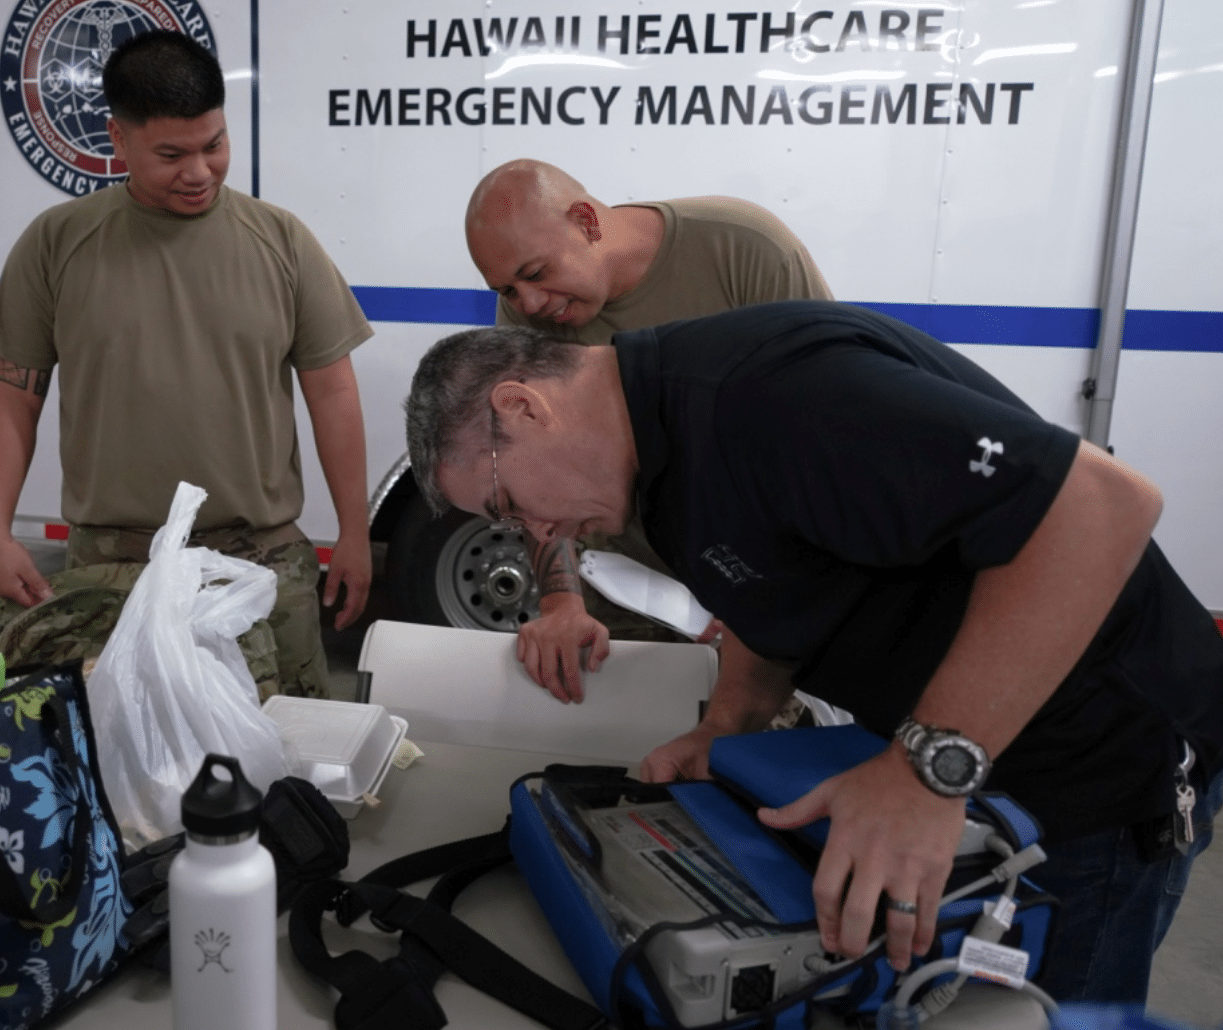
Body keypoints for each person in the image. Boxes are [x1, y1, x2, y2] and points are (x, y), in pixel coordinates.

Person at [403, 304, 1223, 1005]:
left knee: (1040, 1011)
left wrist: (926, 768)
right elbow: (768, 587)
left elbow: (1100, 504)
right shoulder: (655, 457)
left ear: (524, 407)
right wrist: (727, 725)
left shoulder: (772, 395)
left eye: (511, 507)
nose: (538, 537)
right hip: (973, 762)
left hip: (1095, 764)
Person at [0, 30, 373, 701]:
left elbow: (332, 391)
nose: (200, 171)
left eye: (213, 144)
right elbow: (15, 393)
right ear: (118, 138)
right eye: (171, 154)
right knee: (127, 775)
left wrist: (354, 533)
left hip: (260, 561)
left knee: (290, 764)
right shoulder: (58, 243)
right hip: (112, 566)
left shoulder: (280, 240)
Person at [465, 159, 832, 701]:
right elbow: (539, 475)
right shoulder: (524, 315)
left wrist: (773, 598)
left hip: (766, 589)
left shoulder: (744, 249)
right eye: (508, 290)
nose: (530, 304)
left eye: (536, 274)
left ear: (588, 222)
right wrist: (562, 603)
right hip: (630, 590)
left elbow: (822, 432)